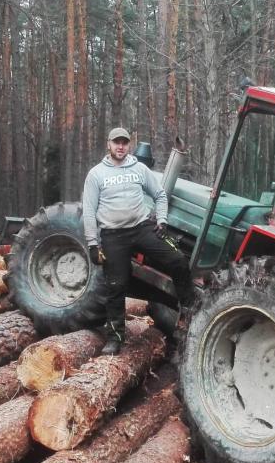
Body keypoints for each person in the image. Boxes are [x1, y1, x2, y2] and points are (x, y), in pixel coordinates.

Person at [82, 127, 195, 354]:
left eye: (124, 142)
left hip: (142, 228)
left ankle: (190, 315)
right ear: (109, 144)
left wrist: (161, 220)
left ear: (129, 145)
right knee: (116, 287)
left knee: (178, 260)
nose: (120, 146)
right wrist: (93, 244)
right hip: (113, 235)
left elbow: (160, 194)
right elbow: (88, 209)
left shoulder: (139, 169)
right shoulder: (96, 174)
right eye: (116, 142)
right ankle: (115, 338)